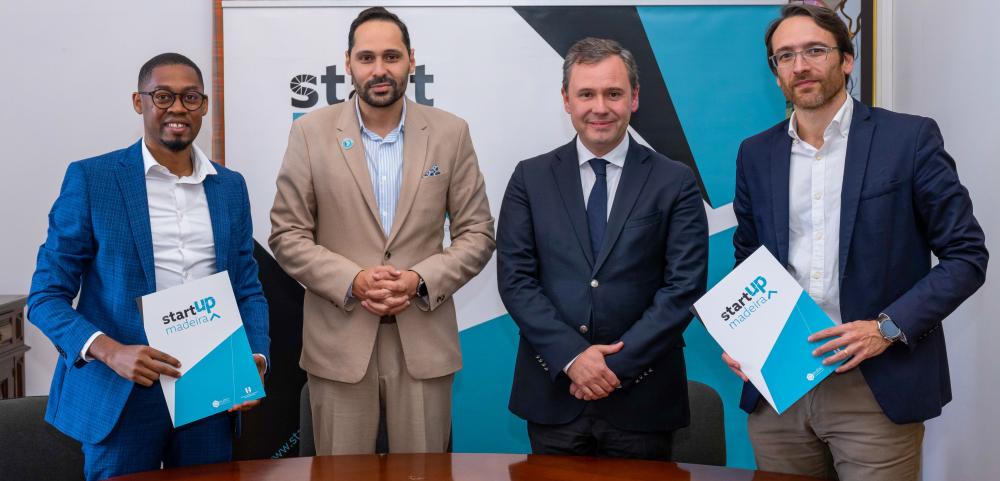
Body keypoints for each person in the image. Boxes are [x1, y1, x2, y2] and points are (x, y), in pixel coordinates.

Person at [723, 4, 988, 480]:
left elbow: (966, 256)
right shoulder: (755, 154)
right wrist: (747, 336)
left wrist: (885, 329)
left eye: (814, 50)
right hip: (780, 385)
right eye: (786, 56)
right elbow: (749, 257)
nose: (800, 66)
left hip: (875, 383)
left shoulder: (908, 139)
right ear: (776, 72)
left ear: (846, 59)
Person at [27, 52, 269, 481]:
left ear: (204, 106)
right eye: (163, 96)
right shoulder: (93, 179)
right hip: (121, 390)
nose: (178, 108)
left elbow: (247, 288)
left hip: (210, 387)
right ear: (139, 102)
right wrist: (110, 351)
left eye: (190, 97)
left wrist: (256, 358)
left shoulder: (230, 187)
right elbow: (45, 297)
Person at [269, 7, 495, 454]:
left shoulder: (451, 133)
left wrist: (420, 279)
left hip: (423, 343)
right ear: (348, 63)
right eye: (366, 57)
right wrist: (352, 280)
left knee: (423, 474)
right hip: (339, 344)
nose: (379, 69)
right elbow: (286, 234)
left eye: (391, 56)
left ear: (411, 60)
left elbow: (478, 233)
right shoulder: (310, 133)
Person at [496, 37, 708, 460]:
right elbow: (516, 281)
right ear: (566, 99)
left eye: (613, 93)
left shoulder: (675, 181)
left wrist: (613, 367)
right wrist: (573, 359)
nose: (600, 107)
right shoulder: (529, 179)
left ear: (634, 97)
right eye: (586, 94)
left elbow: (683, 287)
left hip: (643, 397)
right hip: (554, 393)